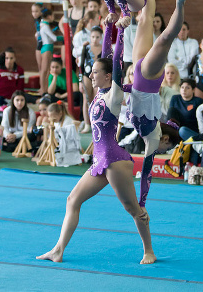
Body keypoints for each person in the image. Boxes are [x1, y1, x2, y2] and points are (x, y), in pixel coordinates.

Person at [36, 19, 156, 264]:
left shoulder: (113, 95)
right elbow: (106, 55)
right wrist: (109, 27)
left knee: (132, 209)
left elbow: (116, 61)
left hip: (114, 160)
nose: (91, 74)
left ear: (108, 75)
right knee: (72, 200)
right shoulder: (100, 94)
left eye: (96, 72)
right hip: (100, 160)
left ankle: (148, 251)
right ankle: (58, 250)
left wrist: (121, 30)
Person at [121, 0, 188, 208]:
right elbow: (146, 173)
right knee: (165, 39)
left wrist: (121, 87)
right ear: (165, 140)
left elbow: (132, 96)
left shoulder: (152, 134)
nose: (157, 151)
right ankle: (179, 6)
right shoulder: (152, 136)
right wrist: (142, 202)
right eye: (162, 149)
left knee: (145, 17)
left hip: (137, 77)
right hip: (148, 78)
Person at [79, 26, 103, 133]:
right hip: (87, 74)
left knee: (96, 99)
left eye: (97, 37)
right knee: (86, 98)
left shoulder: (104, 48)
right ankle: (87, 124)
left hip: (98, 75)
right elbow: (80, 66)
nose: (95, 39)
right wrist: (80, 81)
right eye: (93, 37)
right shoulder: (86, 48)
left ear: (101, 37)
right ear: (90, 37)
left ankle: (96, 123)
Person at [47, 101, 81, 167]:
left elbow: (68, 136)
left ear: (60, 114)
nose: (51, 119)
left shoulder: (68, 121)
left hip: (68, 142)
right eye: (49, 116)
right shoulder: (56, 121)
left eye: (53, 117)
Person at [39, 9, 64, 95]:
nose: (53, 18)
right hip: (47, 47)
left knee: (45, 70)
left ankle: (44, 88)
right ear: (49, 16)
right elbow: (54, 38)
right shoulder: (45, 27)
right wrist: (65, 37)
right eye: (53, 16)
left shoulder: (43, 25)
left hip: (46, 47)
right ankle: (43, 89)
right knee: (45, 70)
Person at [31, 2, 43, 72]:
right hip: (39, 43)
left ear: (41, 12)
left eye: (36, 11)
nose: (34, 13)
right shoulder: (36, 20)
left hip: (44, 44)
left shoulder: (43, 19)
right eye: (32, 11)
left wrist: (39, 33)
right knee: (40, 67)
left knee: (43, 67)